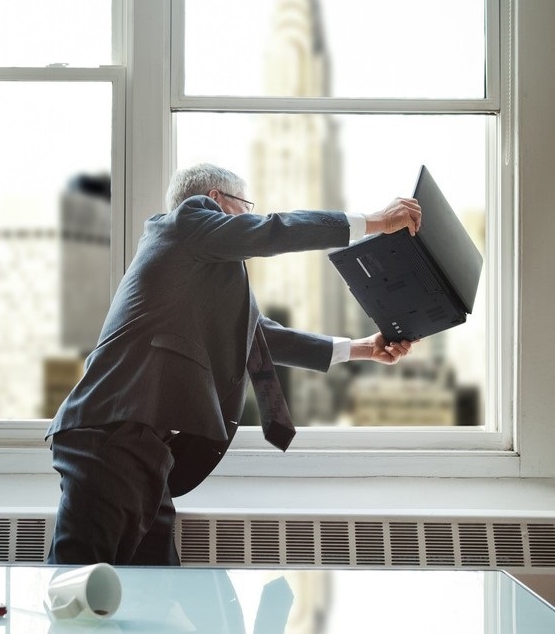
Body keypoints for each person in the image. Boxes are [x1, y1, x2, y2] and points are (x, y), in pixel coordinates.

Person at [45, 163, 421, 566]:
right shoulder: (184, 222)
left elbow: (263, 337)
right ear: (215, 201)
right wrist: (377, 222)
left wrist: (364, 349)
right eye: (246, 206)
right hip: (110, 433)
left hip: (146, 445)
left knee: (155, 587)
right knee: (76, 586)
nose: (251, 217)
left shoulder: (199, 274)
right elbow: (273, 230)